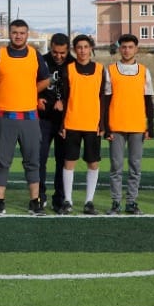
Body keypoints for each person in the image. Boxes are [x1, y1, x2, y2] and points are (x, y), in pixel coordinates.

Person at [0, 19, 52, 216]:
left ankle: (35, 201)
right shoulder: (0, 54)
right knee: (2, 161)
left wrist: (31, 93)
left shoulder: (34, 55)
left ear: (27, 35)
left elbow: (45, 79)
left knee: (32, 161)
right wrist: (0, 93)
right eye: (14, 32)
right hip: (5, 117)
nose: (18, 36)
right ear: (9, 33)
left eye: (22, 32)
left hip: (29, 117)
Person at [102, 33, 154, 214]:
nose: (126, 50)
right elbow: (106, 100)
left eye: (130, 47)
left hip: (137, 126)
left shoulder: (144, 70)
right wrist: (105, 126)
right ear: (119, 48)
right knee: (116, 167)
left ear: (136, 49)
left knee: (135, 167)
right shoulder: (111, 70)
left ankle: (131, 202)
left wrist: (150, 126)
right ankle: (116, 203)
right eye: (123, 47)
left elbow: (148, 101)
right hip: (116, 126)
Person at [57, 33, 105, 215]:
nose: (83, 50)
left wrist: (103, 124)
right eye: (79, 47)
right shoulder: (68, 69)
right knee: (69, 162)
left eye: (86, 47)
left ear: (91, 48)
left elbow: (103, 98)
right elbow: (64, 97)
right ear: (74, 50)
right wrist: (62, 124)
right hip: (72, 122)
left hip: (93, 124)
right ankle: (68, 201)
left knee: (93, 163)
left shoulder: (101, 69)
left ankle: (89, 202)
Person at [38, 33, 71, 210]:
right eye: (55, 52)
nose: (58, 56)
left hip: (65, 121)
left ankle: (59, 198)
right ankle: (40, 196)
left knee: (62, 160)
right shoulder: (41, 61)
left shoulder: (73, 64)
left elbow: (80, 92)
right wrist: (36, 98)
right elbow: (29, 84)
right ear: (50, 48)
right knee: (40, 157)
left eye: (62, 53)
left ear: (68, 50)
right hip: (43, 119)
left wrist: (65, 103)